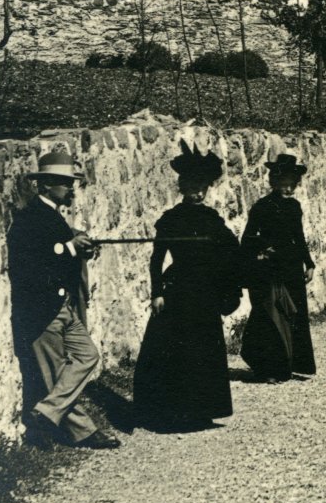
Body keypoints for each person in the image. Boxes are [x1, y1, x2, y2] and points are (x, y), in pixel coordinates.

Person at [6, 147, 121, 449]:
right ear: (45, 185)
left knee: (88, 356)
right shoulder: (30, 218)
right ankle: (83, 431)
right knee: (56, 371)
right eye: (64, 182)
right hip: (41, 309)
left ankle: (46, 412)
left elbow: (60, 248)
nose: (70, 188)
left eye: (70, 182)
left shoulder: (52, 216)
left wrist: (78, 247)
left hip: (62, 306)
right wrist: (71, 247)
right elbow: (34, 261)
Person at [133, 141, 243, 431]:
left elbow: (231, 249)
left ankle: (202, 408)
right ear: (182, 187)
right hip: (179, 292)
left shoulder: (211, 219)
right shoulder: (171, 220)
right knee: (177, 350)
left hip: (205, 292)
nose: (197, 192)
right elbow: (157, 259)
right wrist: (156, 293)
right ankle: (174, 410)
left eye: (202, 188)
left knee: (203, 350)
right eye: (192, 186)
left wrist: (228, 270)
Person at [240, 152, 315, 381]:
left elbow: (299, 236)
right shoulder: (262, 207)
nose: (288, 190)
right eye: (284, 185)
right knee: (271, 317)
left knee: (294, 315)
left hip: (292, 267)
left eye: (291, 185)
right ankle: (268, 368)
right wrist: (264, 247)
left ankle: (290, 364)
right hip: (270, 270)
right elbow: (248, 238)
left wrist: (309, 263)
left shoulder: (294, 207)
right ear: (274, 182)